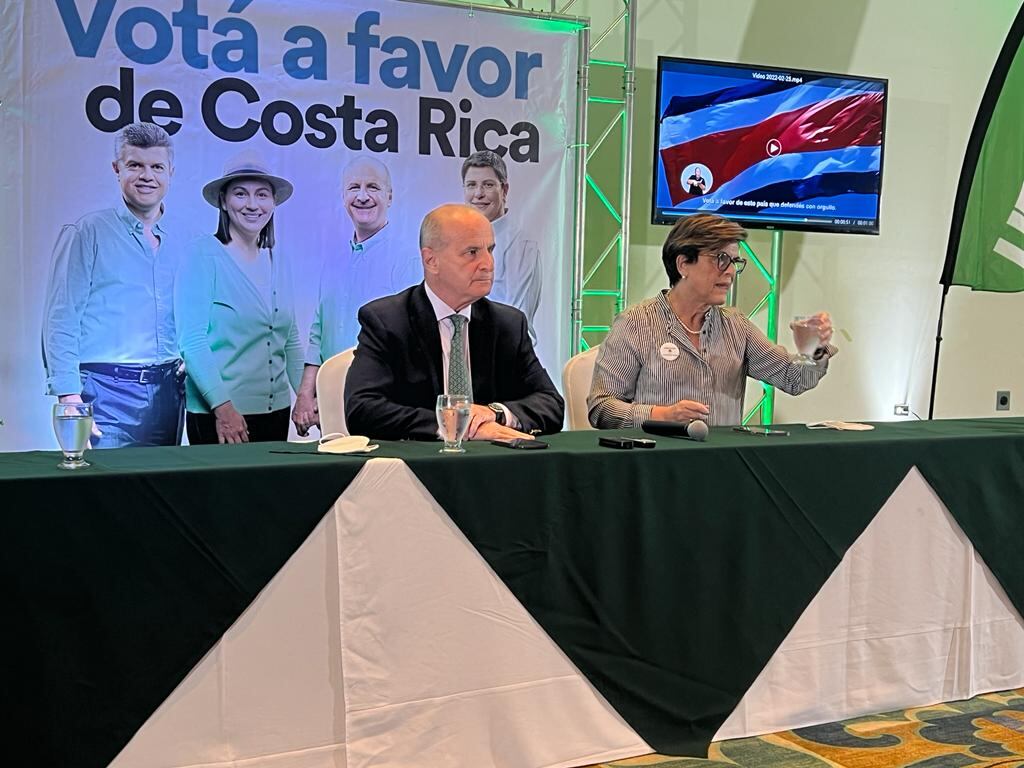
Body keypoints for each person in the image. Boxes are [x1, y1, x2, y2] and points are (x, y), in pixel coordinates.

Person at [588, 213, 836, 428]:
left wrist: (812, 349)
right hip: (656, 459)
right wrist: (662, 415)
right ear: (683, 264)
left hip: (723, 460)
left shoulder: (736, 326)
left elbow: (793, 379)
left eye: (734, 262)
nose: (730, 271)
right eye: (720, 258)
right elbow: (601, 408)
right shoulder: (635, 324)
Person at [344, 204, 564, 442]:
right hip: (417, 461)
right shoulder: (387, 321)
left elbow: (551, 404)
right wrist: (454, 426)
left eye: (490, 249)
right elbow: (362, 409)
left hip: (492, 461)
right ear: (431, 260)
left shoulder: (508, 324)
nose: (488, 263)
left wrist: (495, 413)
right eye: (472, 252)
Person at [42, 121, 185, 448]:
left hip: (169, 392)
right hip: (105, 393)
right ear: (116, 169)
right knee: (111, 480)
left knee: (165, 480)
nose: (147, 176)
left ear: (171, 173)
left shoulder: (184, 240)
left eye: (156, 167)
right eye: (135, 165)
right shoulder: (87, 233)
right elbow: (61, 317)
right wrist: (69, 395)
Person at [175, 152, 304, 444]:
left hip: (276, 414)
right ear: (223, 201)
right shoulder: (200, 256)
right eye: (240, 194)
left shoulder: (279, 260)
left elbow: (290, 339)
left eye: (262, 194)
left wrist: (306, 397)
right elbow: (192, 342)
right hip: (219, 416)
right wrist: (223, 408)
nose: (252, 204)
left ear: (273, 202)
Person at [292, 156, 418, 435]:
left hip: (381, 407)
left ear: (390, 196)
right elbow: (318, 333)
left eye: (372, 187)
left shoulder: (407, 260)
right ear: (343, 196)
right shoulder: (334, 260)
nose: (362, 197)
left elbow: (411, 346)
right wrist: (305, 395)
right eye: (354, 188)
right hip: (330, 406)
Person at [461, 151, 542, 340]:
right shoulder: (458, 240)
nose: (478, 194)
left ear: (504, 190)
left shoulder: (521, 245)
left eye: (488, 185)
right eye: (471, 185)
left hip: (499, 352)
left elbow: (516, 321)